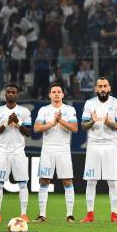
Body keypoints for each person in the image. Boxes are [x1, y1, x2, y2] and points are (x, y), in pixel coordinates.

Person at [80, 77, 117, 223]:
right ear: (95, 89)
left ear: (109, 88)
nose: (102, 89)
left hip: (110, 145)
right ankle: (89, 214)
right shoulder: (89, 103)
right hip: (93, 144)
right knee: (91, 181)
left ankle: (114, 214)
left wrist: (109, 123)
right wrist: (93, 121)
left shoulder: (116, 103)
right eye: (99, 86)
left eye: (105, 86)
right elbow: (83, 126)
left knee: (112, 181)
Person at [33, 83, 78, 223]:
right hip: (47, 148)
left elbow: (74, 128)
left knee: (67, 181)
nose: (57, 94)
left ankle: (69, 215)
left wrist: (60, 120)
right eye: (54, 92)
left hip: (63, 148)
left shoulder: (69, 109)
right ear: (50, 95)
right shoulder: (44, 110)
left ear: (63, 95)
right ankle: (42, 215)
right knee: (44, 180)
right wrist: (52, 123)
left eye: (59, 91)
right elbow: (36, 128)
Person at [0, 84, 31, 223]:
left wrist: (18, 123)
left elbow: (28, 132)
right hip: (3, 151)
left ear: (17, 95)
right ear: (5, 94)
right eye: (8, 92)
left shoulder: (24, 111)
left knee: (23, 184)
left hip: (19, 151)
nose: (11, 94)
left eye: (13, 92)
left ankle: (24, 214)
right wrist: (7, 123)